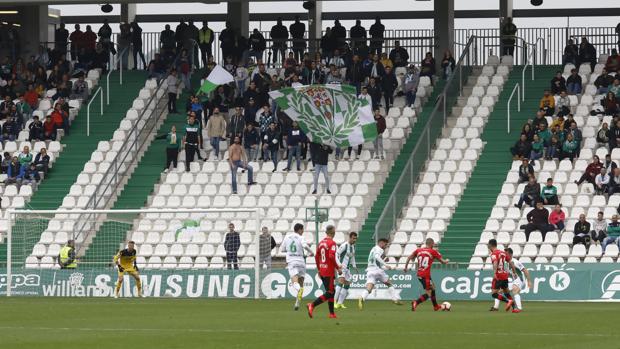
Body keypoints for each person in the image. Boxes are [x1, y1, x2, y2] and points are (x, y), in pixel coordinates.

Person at [403, 237, 449, 311]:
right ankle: (416, 302)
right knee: (429, 293)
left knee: (433, 288)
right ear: (432, 244)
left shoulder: (418, 250)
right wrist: (446, 261)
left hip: (419, 274)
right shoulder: (433, 251)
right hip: (425, 275)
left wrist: (405, 267)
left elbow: (409, 258)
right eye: (433, 244)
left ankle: (436, 306)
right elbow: (443, 262)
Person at [358, 238, 403, 309]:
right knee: (389, 283)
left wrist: (384, 259)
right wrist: (386, 264)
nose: (386, 246)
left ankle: (362, 298)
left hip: (370, 270)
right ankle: (395, 299)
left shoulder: (373, 249)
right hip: (377, 270)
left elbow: (375, 257)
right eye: (385, 244)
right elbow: (377, 257)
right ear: (381, 243)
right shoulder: (380, 249)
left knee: (369, 288)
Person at [307, 225, 340, 319]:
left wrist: (319, 269)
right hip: (329, 271)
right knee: (330, 292)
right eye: (334, 231)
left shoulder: (321, 243)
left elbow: (316, 257)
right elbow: (331, 256)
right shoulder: (332, 243)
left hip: (322, 270)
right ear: (332, 232)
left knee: (331, 292)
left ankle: (332, 313)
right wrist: (338, 268)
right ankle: (312, 305)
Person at [281, 223, 314, 311]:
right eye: (302, 230)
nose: (303, 231)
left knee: (294, 282)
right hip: (301, 262)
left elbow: (282, 249)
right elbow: (304, 245)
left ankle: (298, 290)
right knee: (301, 283)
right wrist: (311, 252)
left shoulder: (287, 237)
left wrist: (289, 251)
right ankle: (297, 304)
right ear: (299, 230)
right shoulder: (300, 237)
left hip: (292, 262)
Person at [491, 248, 530, 313]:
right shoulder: (506, 263)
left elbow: (525, 270)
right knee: (499, 291)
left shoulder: (516, 262)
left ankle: (519, 308)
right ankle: (496, 307)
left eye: (506, 254)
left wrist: (529, 281)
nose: (504, 255)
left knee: (515, 291)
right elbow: (510, 273)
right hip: (514, 280)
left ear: (510, 254)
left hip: (520, 279)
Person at [487, 239, 515, 311]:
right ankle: (514, 308)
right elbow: (511, 262)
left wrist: (494, 273)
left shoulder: (494, 254)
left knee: (494, 294)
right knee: (506, 293)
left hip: (498, 276)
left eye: (488, 245)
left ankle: (508, 301)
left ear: (490, 245)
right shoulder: (503, 253)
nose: (488, 246)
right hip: (505, 275)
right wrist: (514, 272)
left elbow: (495, 262)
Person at [334, 232, 358, 309]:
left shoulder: (353, 247)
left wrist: (354, 266)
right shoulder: (344, 245)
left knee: (347, 284)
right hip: (342, 267)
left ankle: (340, 303)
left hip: (347, 269)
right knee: (341, 282)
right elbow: (336, 254)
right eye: (353, 238)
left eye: (355, 238)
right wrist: (338, 265)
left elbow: (352, 257)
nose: (354, 240)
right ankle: (334, 302)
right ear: (350, 237)